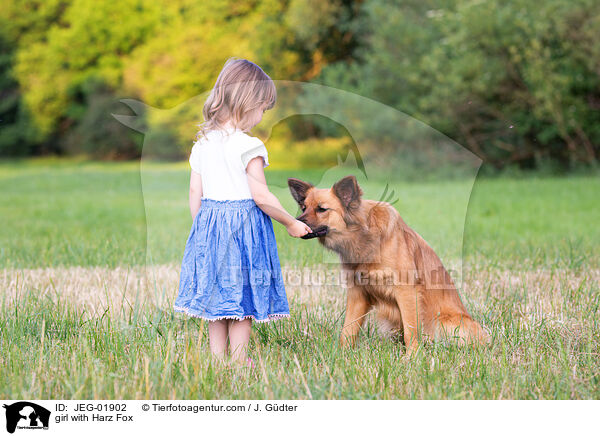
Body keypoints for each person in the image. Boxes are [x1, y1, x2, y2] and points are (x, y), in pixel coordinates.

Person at [174, 58, 311, 366]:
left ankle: (216, 358)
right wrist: (291, 222)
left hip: (208, 226)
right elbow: (260, 195)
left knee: (216, 296)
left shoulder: (202, 145)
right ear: (247, 103)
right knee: (242, 296)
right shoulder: (249, 146)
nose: (262, 116)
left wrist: (202, 231)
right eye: (262, 108)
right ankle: (239, 361)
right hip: (242, 229)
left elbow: (195, 193)